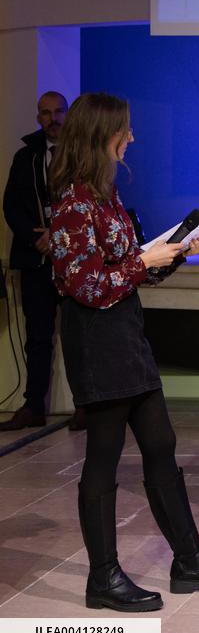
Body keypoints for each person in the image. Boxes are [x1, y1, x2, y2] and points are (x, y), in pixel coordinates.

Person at [48, 93, 199, 612]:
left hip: (125, 333)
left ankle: (190, 561)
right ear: (103, 135)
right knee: (104, 455)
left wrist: (177, 252)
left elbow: (130, 267)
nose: (132, 139)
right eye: (126, 131)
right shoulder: (72, 202)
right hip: (96, 340)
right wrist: (144, 262)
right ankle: (104, 578)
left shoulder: (105, 194)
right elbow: (86, 286)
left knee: (161, 443)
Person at [1, 91, 85, 431]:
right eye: (46, 113)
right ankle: (32, 405)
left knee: (77, 335)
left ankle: (86, 406)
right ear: (39, 118)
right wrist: (38, 238)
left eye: (59, 111)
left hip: (74, 260)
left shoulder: (82, 156)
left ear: (68, 113)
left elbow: (89, 201)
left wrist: (60, 235)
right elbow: (11, 206)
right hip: (37, 259)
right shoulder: (27, 157)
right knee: (37, 336)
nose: (53, 118)